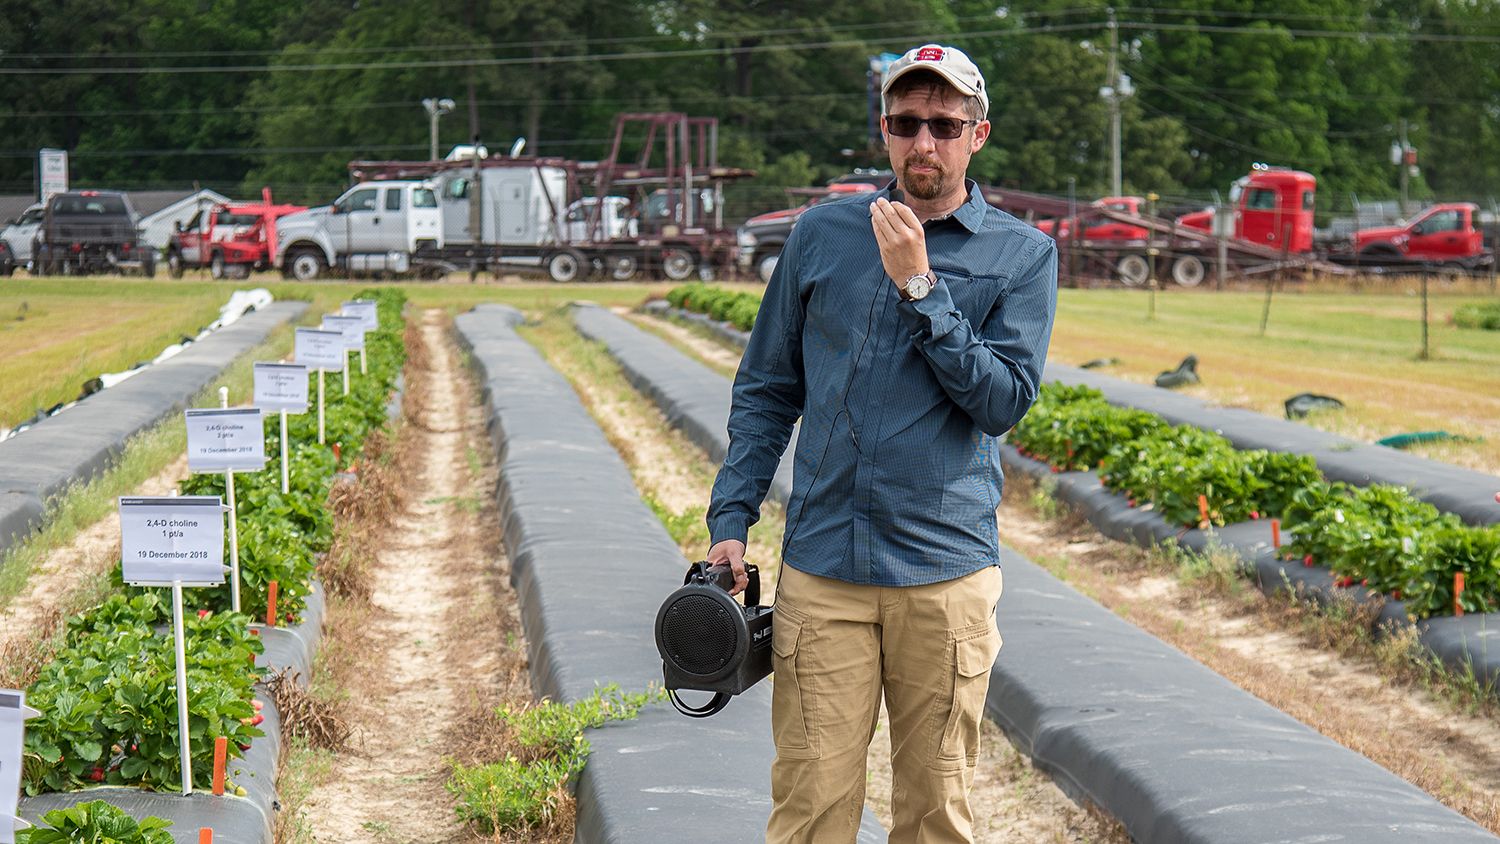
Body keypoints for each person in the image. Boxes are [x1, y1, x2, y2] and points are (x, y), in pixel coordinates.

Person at [703, 42, 1058, 843]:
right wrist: (732, 518)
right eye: (905, 122)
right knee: (811, 809)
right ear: (886, 130)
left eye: (942, 123)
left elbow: (1001, 402)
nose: (922, 142)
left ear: (978, 134)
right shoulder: (823, 235)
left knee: (934, 813)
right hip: (823, 570)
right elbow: (767, 389)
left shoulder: (1022, 255)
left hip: (943, 573)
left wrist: (921, 285)